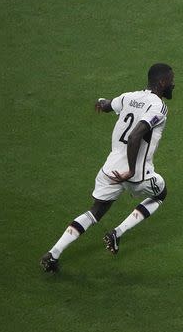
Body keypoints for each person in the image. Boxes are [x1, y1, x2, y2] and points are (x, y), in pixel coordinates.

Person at [40, 63, 175, 273]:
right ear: (162, 82)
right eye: (171, 81)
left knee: (95, 212)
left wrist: (100, 102)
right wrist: (131, 171)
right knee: (160, 195)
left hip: (110, 170)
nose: (173, 85)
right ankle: (117, 232)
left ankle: (53, 254)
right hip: (136, 175)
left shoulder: (129, 97)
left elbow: (107, 105)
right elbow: (135, 136)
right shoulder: (158, 107)